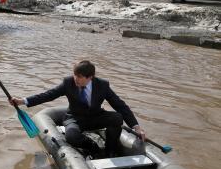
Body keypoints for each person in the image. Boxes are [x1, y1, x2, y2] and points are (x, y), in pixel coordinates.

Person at [10, 60, 145, 157]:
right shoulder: (68, 83)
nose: (76, 79)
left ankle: (110, 150)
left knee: (117, 117)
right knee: (71, 136)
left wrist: (136, 126)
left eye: (79, 77)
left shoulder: (102, 85)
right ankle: (93, 147)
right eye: (75, 75)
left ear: (90, 77)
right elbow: (48, 95)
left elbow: (120, 105)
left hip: (95, 116)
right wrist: (23, 101)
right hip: (75, 118)